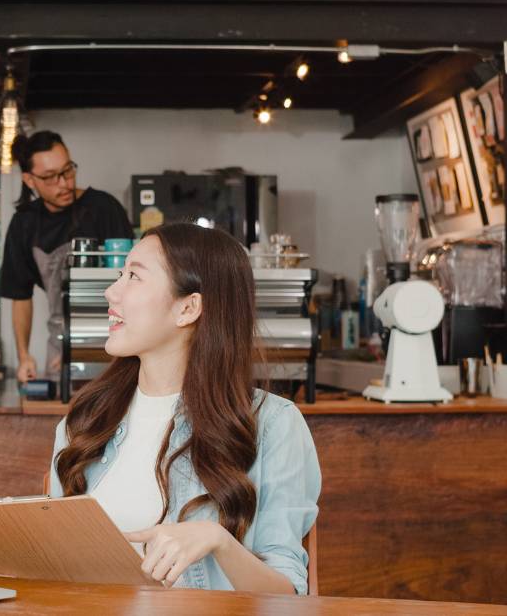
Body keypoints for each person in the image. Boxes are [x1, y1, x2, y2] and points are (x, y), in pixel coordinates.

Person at [47, 223, 321, 594]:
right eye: (119, 274)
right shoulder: (83, 422)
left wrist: (218, 542)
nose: (111, 291)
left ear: (188, 308)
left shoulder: (272, 424)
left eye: (134, 276)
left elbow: (287, 595)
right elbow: (55, 570)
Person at [0, 131, 133, 383]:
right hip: (60, 348)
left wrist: (88, 350)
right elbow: (20, 297)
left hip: (115, 349)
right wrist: (24, 356)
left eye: (68, 170)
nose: (64, 183)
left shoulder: (104, 209)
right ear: (30, 180)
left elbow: (134, 288)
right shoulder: (24, 224)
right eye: (50, 177)